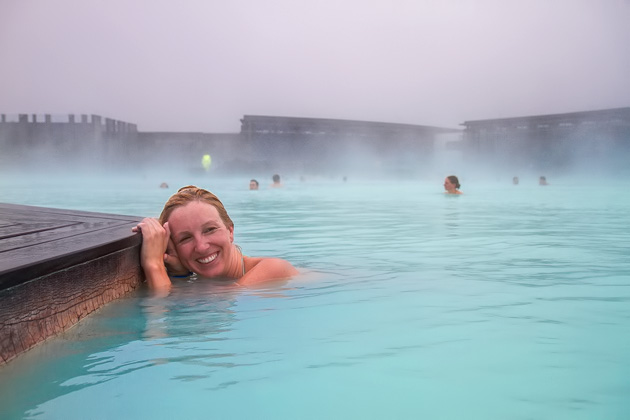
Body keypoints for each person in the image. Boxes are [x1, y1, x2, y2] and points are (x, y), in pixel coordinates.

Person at [132, 185, 298, 290]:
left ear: (230, 231)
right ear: (174, 248)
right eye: (185, 238)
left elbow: (167, 310)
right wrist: (179, 273)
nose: (201, 246)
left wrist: (153, 264)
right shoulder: (202, 285)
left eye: (210, 229)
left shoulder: (274, 268)